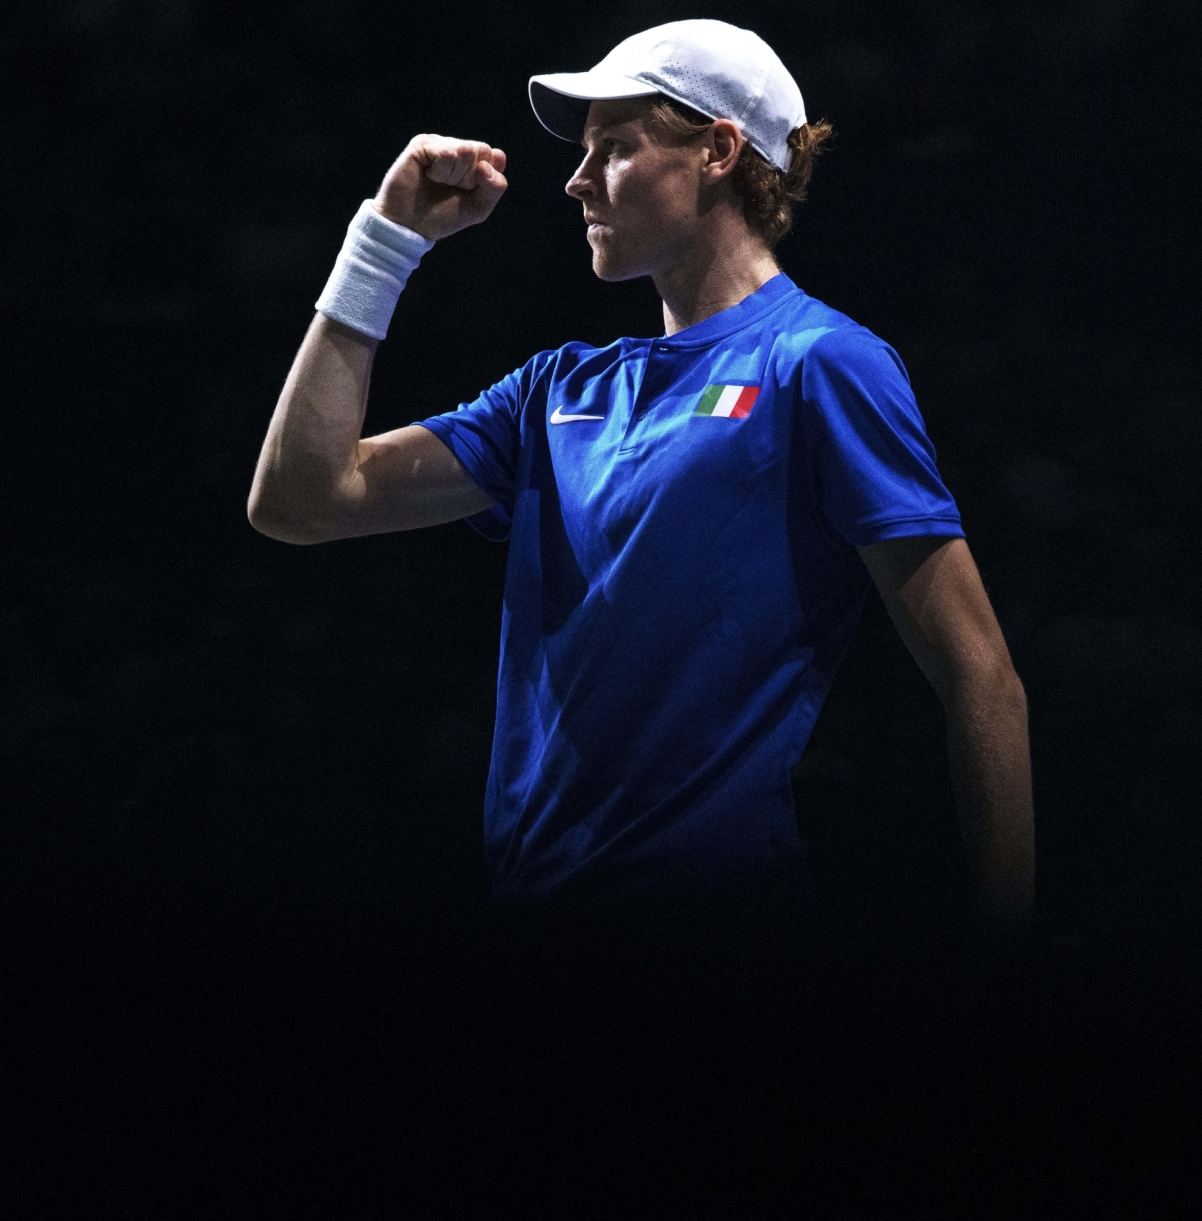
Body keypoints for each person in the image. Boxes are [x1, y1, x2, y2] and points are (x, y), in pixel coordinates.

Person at [247, 19, 1032, 939]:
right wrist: (380, 244)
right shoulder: (557, 390)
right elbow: (301, 499)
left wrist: (1004, 956)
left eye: (613, 148)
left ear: (718, 150)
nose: (576, 180)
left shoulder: (821, 363)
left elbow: (981, 674)